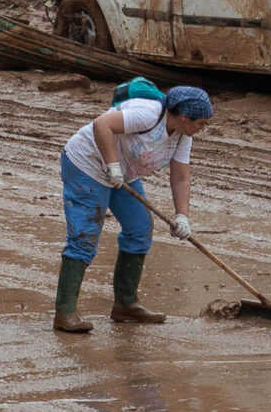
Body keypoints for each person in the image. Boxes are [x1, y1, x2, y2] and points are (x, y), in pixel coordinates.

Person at [53, 85, 213, 333]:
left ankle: (126, 303)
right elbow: (101, 125)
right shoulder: (149, 114)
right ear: (184, 117)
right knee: (84, 237)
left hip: (121, 174)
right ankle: (65, 312)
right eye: (202, 123)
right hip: (88, 164)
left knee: (140, 228)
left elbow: (181, 176)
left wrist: (182, 217)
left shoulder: (183, 135)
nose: (204, 128)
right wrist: (112, 165)